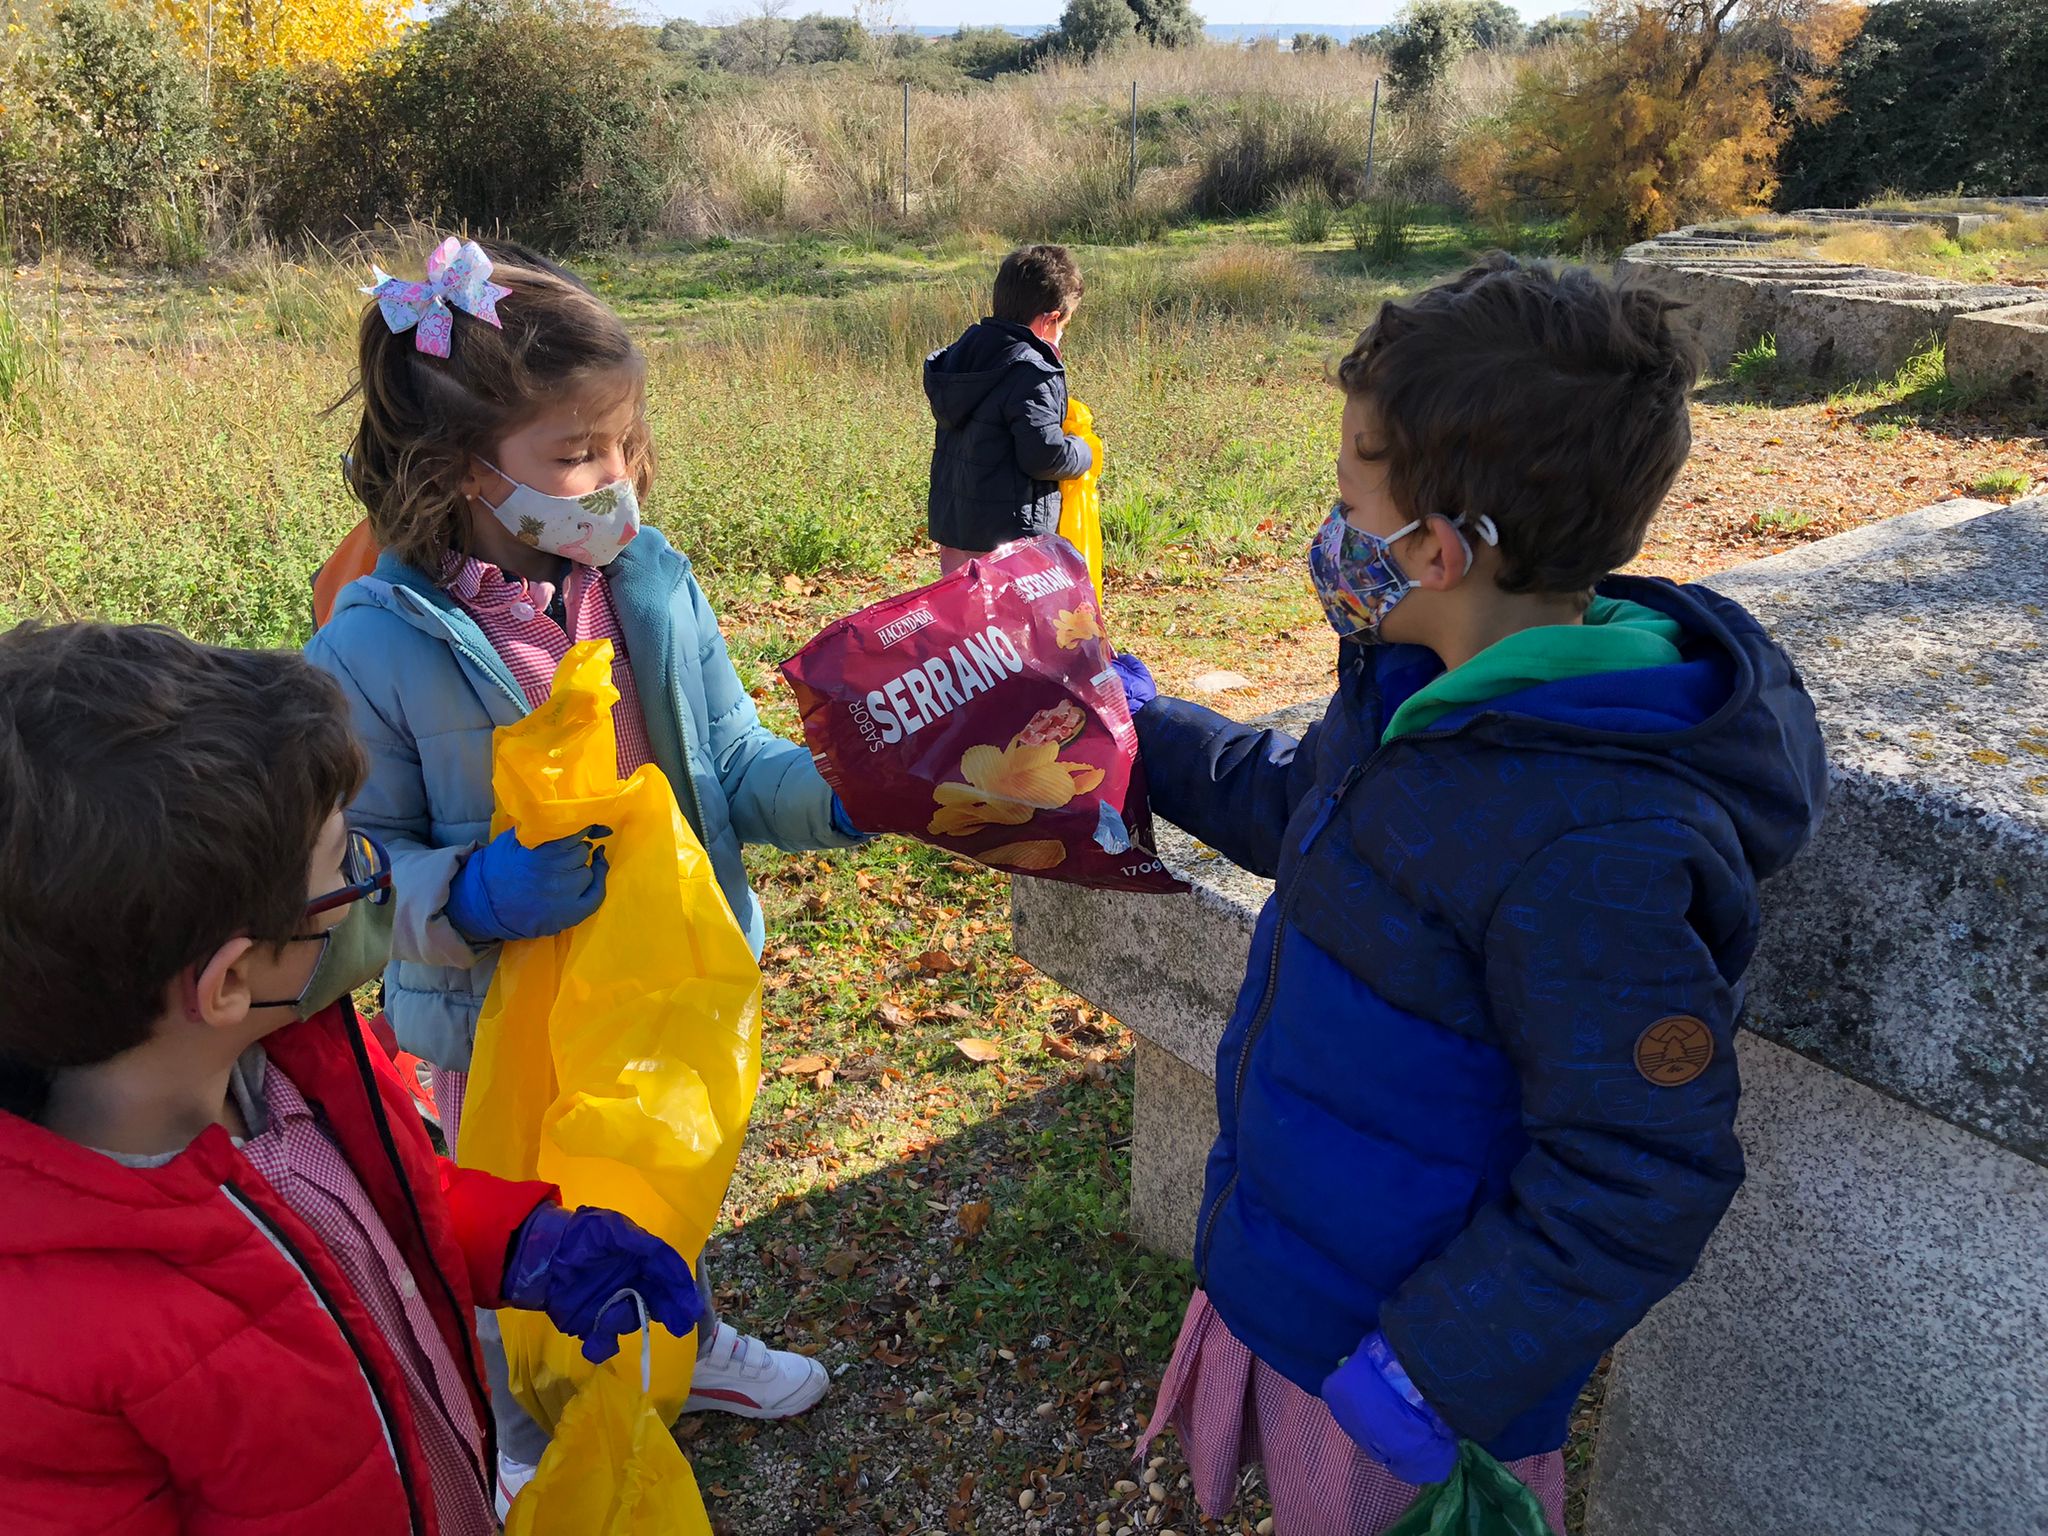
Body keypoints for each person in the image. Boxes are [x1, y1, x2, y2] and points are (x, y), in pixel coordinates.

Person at [1111, 255, 1828, 1533]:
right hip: (1309, 1266)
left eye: (1346, 503)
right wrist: (1148, 727)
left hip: (1400, 1366)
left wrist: (1433, 1367)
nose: (1329, 536)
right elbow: (1306, 812)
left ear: (1431, 550)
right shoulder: (1419, 692)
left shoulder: (1589, 844)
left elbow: (1641, 1161)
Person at [305, 237, 863, 1506]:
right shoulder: (376, 645)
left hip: (657, 970)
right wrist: (474, 895)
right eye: (574, 456)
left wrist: (842, 797)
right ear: (462, 472)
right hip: (493, 1010)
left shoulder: (649, 584)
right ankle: (521, 1433)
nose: (612, 478)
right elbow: (360, 863)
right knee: (515, 1226)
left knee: (654, 1168)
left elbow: (725, 757)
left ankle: (691, 1343)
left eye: (621, 443)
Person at [0, 622, 701, 1536]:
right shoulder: (42, 1354)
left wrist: (517, 1240)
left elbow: (372, 1198)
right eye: (344, 866)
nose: (374, 881)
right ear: (229, 981)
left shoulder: (292, 1059)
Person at [924, 242, 1093, 573]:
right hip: (1010, 540)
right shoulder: (1032, 373)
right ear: (1051, 320)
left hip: (957, 530)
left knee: (971, 620)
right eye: (1063, 327)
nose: (1060, 337)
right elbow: (1043, 456)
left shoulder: (962, 355)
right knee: (1012, 623)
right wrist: (1082, 452)